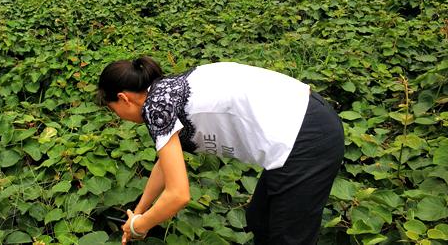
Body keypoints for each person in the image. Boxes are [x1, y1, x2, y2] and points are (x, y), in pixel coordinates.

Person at [97, 56, 345, 245]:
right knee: (261, 219)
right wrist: (138, 212)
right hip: (302, 120)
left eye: (113, 109)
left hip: (305, 138)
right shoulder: (164, 90)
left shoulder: (156, 108)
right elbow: (165, 166)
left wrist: (141, 226)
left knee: (286, 237)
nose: (119, 116)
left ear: (124, 98)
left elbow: (179, 195)